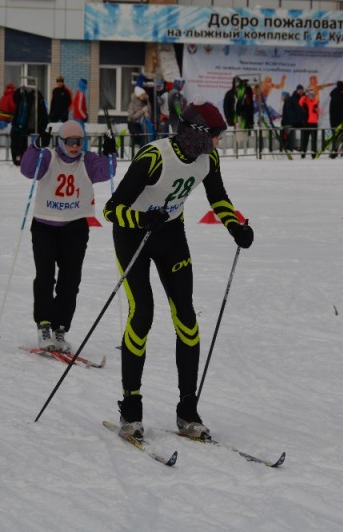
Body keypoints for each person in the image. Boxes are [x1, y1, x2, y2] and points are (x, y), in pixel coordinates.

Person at [102, 101, 254, 440]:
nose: (219, 142)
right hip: (134, 236)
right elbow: (112, 210)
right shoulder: (153, 157)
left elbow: (219, 199)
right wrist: (142, 219)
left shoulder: (208, 159)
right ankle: (131, 408)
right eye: (215, 135)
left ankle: (187, 410)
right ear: (198, 134)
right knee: (142, 314)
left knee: (186, 316)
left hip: (170, 234)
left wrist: (236, 227)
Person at [19, 120, 117, 352]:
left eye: (79, 141)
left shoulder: (87, 161)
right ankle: (44, 326)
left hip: (74, 228)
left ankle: (60, 328)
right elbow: (28, 170)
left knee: (70, 282)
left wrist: (111, 151)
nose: (75, 146)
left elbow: (108, 170)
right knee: (45, 278)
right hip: (45, 227)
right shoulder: (48, 158)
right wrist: (35, 147)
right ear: (60, 141)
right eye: (70, 142)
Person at [10, 85, 49, 166]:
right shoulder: (22, 96)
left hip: (30, 126)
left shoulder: (35, 97)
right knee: (23, 142)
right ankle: (22, 158)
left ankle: (24, 159)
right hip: (26, 126)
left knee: (30, 144)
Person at [327, 81, 343, 158]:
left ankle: (334, 152)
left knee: (337, 137)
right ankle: (334, 153)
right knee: (338, 138)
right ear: (342, 89)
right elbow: (340, 111)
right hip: (338, 122)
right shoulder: (338, 97)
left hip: (336, 121)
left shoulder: (337, 96)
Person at [298, 88, 320, 158]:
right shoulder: (305, 101)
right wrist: (305, 95)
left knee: (314, 140)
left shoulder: (315, 101)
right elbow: (300, 102)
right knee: (305, 139)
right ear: (307, 95)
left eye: (312, 95)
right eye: (310, 95)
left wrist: (317, 110)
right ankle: (303, 153)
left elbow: (318, 111)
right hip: (306, 123)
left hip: (314, 123)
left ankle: (313, 154)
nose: (311, 96)